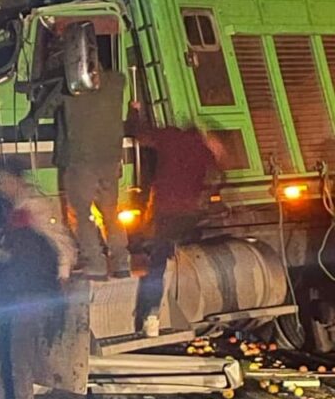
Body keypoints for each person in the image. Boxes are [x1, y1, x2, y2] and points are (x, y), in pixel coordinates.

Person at [0, 172, 75, 399]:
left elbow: (56, 243)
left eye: (3, 182)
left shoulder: (32, 210)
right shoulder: (20, 212)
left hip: (31, 294)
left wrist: (64, 273)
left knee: (19, 357)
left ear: (15, 180)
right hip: (29, 292)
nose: (0, 188)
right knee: (21, 355)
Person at [128, 104, 225, 333]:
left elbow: (139, 134)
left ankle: (150, 315)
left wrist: (134, 111)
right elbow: (219, 171)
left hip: (165, 213)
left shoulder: (170, 137)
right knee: (166, 252)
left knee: (156, 263)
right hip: (188, 214)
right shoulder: (203, 149)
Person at [55, 61, 128, 278]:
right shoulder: (116, 81)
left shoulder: (71, 87)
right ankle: (121, 261)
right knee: (110, 212)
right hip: (110, 159)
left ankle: (95, 262)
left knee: (82, 213)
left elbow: (50, 105)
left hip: (82, 160)